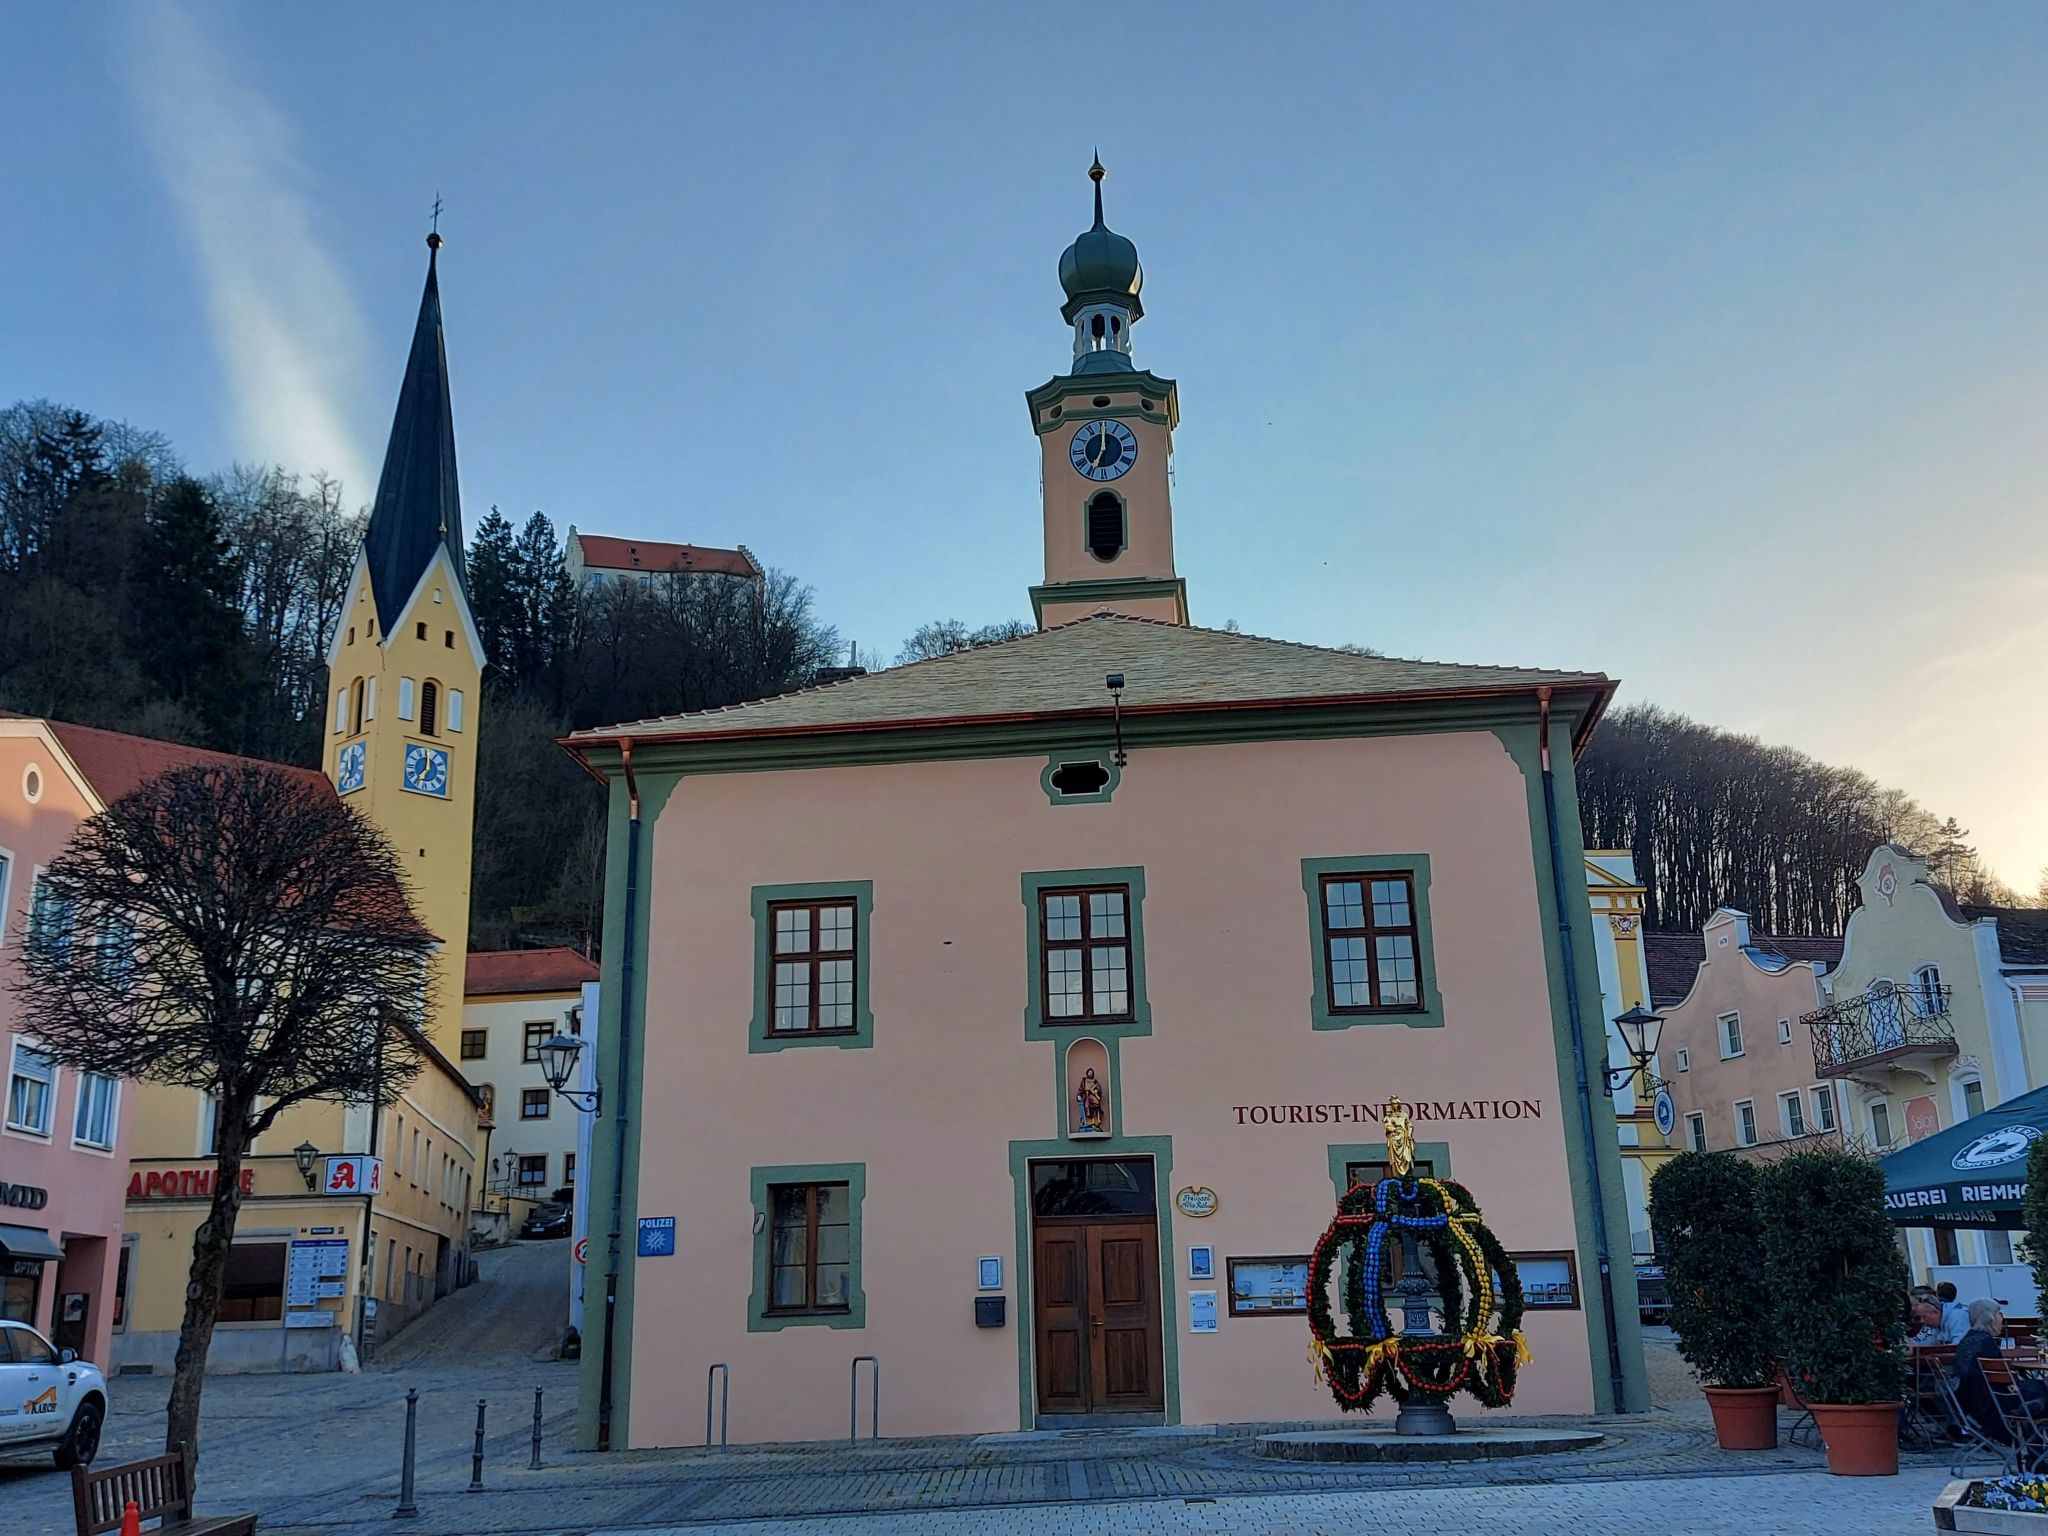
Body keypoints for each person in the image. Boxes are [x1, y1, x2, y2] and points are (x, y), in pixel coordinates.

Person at [1952, 1299, 2048, 1434]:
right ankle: (2032, 1438)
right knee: (2039, 1388)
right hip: (1992, 1403)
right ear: (1990, 1317)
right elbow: (2002, 1380)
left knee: (2036, 1388)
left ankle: (2031, 1437)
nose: (2001, 1318)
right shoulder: (1987, 1343)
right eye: (1999, 1313)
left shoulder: (1968, 1339)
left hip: (1970, 1401)